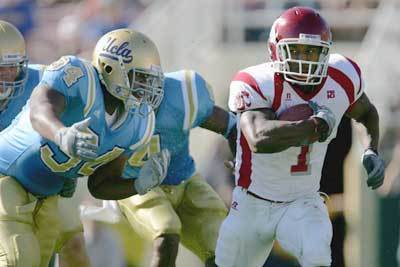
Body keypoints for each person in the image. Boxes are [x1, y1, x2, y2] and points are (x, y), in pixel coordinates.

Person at [215, 6, 385, 267]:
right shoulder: (256, 81)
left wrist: (371, 148)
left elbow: (366, 113)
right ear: (276, 50)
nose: (305, 59)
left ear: (326, 51)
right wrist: (314, 126)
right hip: (252, 202)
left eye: (312, 51)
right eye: (295, 50)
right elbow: (259, 138)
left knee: (318, 255)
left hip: (302, 201)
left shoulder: (341, 78)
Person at [0, 28, 169, 267]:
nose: (147, 89)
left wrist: (137, 184)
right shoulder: (77, 77)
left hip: (46, 192)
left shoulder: (139, 123)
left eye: (151, 81)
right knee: (18, 258)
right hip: (6, 173)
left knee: (45, 261)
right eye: (140, 78)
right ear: (111, 69)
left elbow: (100, 185)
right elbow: (40, 111)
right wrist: (62, 133)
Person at [117, 69, 236, 267]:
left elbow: (232, 126)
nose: (141, 87)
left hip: (184, 179)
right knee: (166, 232)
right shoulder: (104, 110)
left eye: (144, 77)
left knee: (223, 245)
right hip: (136, 184)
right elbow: (100, 182)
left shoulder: (181, 94)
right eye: (133, 79)